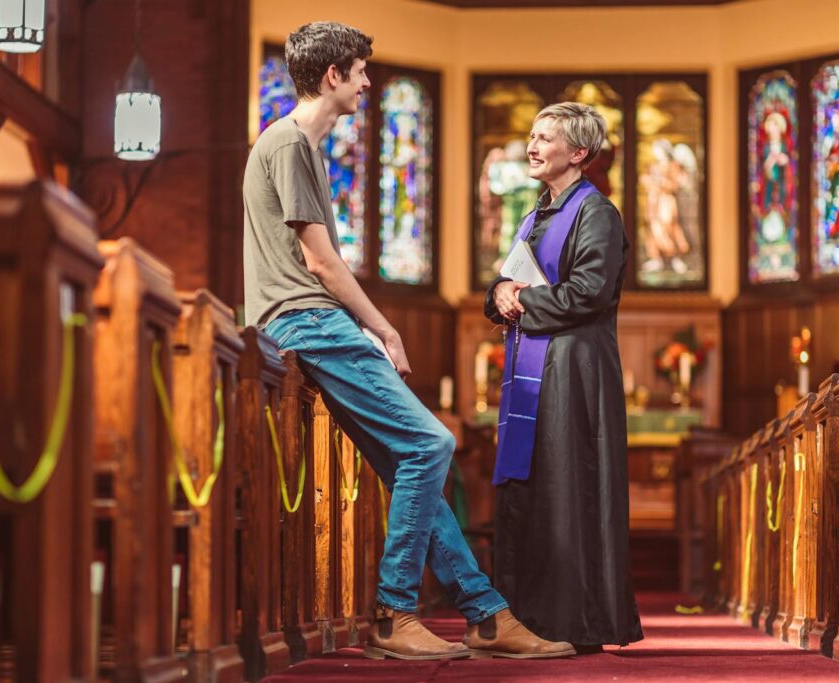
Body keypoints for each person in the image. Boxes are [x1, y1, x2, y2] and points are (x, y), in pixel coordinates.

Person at [243, 21, 574, 661]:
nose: (368, 83)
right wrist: (385, 327)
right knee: (432, 442)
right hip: (307, 319)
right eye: (361, 72)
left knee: (410, 458)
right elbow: (320, 263)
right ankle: (394, 612)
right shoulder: (288, 144)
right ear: (333, 76)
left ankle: (485, 616)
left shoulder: (300, 149)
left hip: (314, 320)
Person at [485, 102, 644, 653]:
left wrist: (521, 298)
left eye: (545, 138)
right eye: (532, 135)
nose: (532, 145)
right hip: (534, 363)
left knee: (565, 486)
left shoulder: (596, 212)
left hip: (573, 369)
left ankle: (570, 622)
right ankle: (522, 621)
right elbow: (509, 281)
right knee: (530, 488)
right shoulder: (535, 216)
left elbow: (589, 292)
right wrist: (500, 293)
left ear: (578, 153)